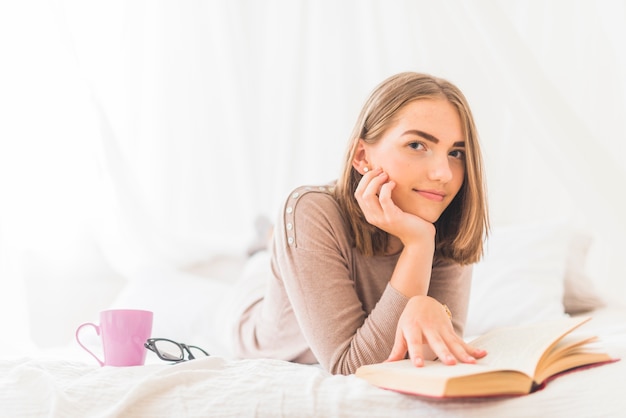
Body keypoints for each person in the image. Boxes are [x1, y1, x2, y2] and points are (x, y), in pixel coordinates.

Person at [231, 72, 489, 375]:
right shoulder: (308, 212)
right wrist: (419, 246)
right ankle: (269, 239)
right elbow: (349, 366)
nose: (443, 173)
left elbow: (439, 348)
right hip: (260, 319)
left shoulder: (445, 218)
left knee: (281, 242)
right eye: (417, 145)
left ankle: (272, 237)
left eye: (456, 153)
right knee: (262, 263)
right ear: (362, 155)